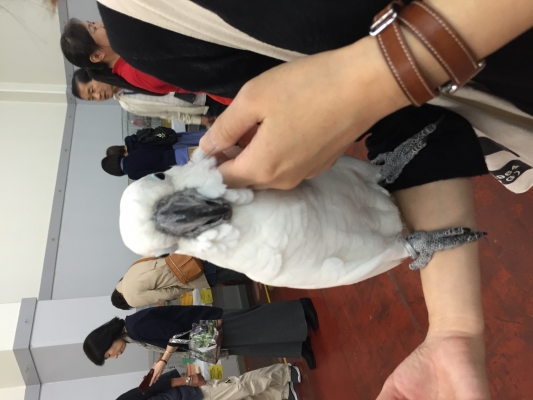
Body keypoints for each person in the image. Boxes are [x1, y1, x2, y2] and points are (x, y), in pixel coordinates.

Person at [83, 300, 319, 380]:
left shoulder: (135, 328)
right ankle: (298, 346)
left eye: (108, 354)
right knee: (251, 343)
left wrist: (163, 361)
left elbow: (175, 333)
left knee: (254, 324)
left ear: (107, 340)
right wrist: (162, 356)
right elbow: (166, 336)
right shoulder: (132, 333)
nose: (114, 356)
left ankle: (300, 309)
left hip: (204, 326)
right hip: (202, 337)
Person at [60, 19, 232, 109]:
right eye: (93, 28)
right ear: (97, 56)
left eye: (93, 23)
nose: (101, 24)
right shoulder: (135, 69)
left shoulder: (129, 56)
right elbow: (192, 71)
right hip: (227, 79)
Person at [72, 69, 219, 126]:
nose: (97, 96)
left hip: (201, 80)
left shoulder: (127, 71)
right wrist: (199, 120)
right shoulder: (128, 105)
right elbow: (167, 114)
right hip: (204, 106)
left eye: (92, 90)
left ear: (94, 75)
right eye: (92, 98)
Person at [111, 255, 250, 310]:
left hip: (188, 275)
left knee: (235, 272)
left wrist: (185, 289)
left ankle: (262, 269)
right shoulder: (129, 271)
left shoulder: (131, 300)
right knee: (230, 257)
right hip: (184, 258)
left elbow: (165, 295)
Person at [116, 365, 301, 400]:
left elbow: (149, 384)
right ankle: (281, 393)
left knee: (240, 386)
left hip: (189, 394)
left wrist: (187, 379)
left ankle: (284, 373)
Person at [101, 129, 207, 180]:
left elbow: (155, 174)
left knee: (207, 160)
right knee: (206, 142)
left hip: (175, 165)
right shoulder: (133, 147)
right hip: (173, 146)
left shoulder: (132, 174)